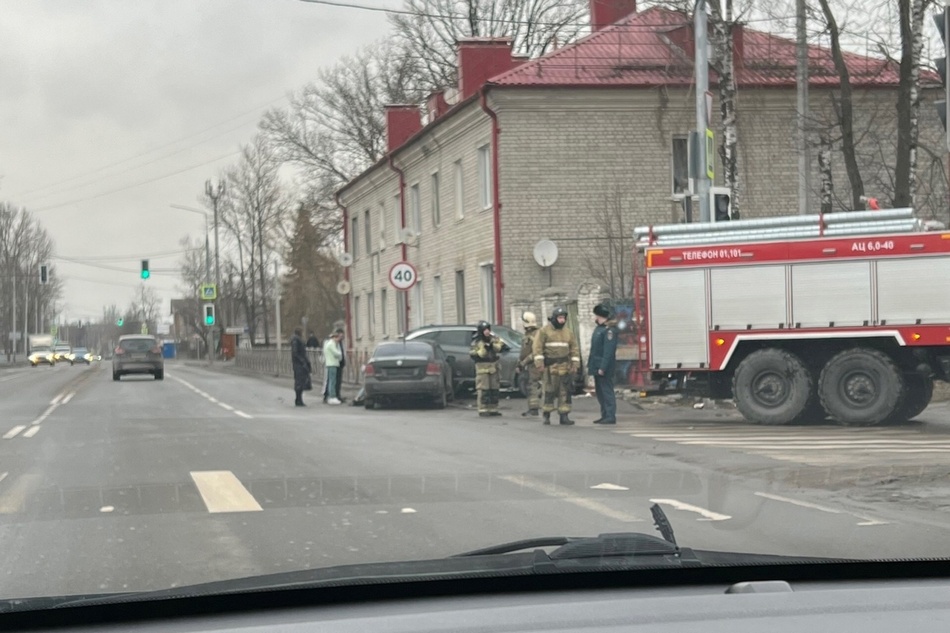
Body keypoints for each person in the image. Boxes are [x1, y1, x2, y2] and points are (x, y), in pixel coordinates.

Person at [533, 307, 580, 426]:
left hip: (564, 367)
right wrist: (540, 364)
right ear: (554, 318)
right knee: (549, 391)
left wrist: (575, 364)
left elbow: (574, 349)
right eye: (559, 318)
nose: (562, 320)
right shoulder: (544, 331)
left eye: (563, 318)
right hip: (550, 367)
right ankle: (546, 414)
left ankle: (564, 416)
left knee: (564, 392)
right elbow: (537, 348)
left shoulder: (568, 332)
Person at [469, 321, 508, 417]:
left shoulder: (493, 339)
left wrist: (493, 345)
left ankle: (493, 408)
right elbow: (475, 354)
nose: (487, 332)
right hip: (482, 369)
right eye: (484, 330)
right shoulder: (476, 342)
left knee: (494, 389)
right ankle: (483, 409)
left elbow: (501, 347)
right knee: (484, 390)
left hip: (493, 368)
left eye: (488, 329)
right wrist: (483, 349)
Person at [589, 303, 619, 425]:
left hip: (604, 367)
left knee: (606, 391)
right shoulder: (599, 329)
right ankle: (604, 414)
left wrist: (603, 367)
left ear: (603, 317)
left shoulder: (609, 331)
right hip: (596, 365)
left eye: (598, 316)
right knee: (600, 392)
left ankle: (610, 415)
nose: (596, 318)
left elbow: (608, 351)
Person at [518, 311, 543, 417]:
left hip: (534, 364)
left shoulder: (535, 335)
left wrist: (524, 362)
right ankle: (532, 408)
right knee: (530, 386)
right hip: (529, 365)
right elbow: (524, 350)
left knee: (533, 386)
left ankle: (534, 409)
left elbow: (535, 352)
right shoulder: (528, 334)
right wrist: (519, 363)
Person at [290, 326, 311, 407]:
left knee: (300, 381)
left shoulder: (296, 340)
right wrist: (303, 361)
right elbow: (296, 353)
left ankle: (299, 399)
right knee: (299, 381)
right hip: (299, 364)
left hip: (299, 363)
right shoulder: (296, 340)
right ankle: (298, 399)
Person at [322, 330, 343, 405]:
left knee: (332, 380)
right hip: (332, 363)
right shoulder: (332, 344)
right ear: (334, 337)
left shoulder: (329, 343)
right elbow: (337, 353)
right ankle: (332, 396)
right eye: (337, 338)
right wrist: (340, 353)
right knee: (332, 381)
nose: (338, 340)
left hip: (331, 363)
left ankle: (331, 396)